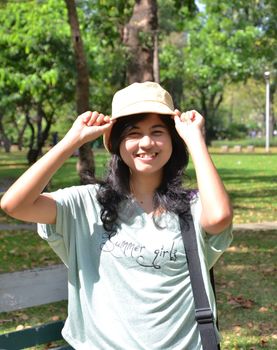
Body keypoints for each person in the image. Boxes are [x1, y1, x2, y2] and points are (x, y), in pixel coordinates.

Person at [1, 81, 233, 349]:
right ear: (117, 144)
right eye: (133, 133)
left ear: (174, 139)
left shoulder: (191, 206)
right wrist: (71, 141)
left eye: (158, 131)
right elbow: (14, 204)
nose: (146, 142)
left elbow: (219, 218)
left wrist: (195, 139)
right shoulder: (87, 203)